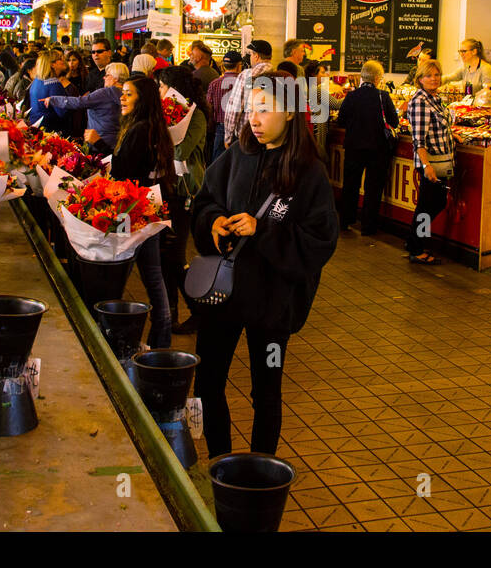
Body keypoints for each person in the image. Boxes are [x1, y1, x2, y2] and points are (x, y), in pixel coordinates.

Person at [191, 75, 338, 458]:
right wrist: (213, 222)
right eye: (251, 109)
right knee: (208, 381)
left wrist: (264, 230)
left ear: (289, 112)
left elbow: (320, 241)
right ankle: (218, 459)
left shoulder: (309, 172)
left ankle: (259, 469)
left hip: (272, 303)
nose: (254, 120)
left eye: (265, 109)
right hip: (223, 295)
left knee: (266, 389)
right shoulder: (238, 155)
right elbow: (205, 200)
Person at [111, 74, 177, 347]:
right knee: (153, 276)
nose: (122, 98)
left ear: (143, 98)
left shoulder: (139, 129)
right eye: (122, 92)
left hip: (131, 212)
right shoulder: (153, 127)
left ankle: (113, 331)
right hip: (148, 208)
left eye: (128, 93)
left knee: (118, 275)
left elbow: (124, 172)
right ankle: (161, 337)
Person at [156, 66, 210, 335]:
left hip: (184, 191)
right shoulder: (162, 115)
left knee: (174, 255)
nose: (160, 92)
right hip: (164, 188)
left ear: (175, 89)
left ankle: (200, 310)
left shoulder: (196, 116)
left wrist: (162, 133)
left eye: (163, 87)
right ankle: (171, 313)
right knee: (165, 256)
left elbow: (181, 150)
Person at [337, 60, 398, 237]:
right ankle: (368, 226)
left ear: (362, 76)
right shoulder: (383, 96)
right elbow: (393, 122)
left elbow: (341, 120)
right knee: (373, 188)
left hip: (354, 147)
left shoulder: (351, 96)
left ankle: (346, 220)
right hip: (378, 149)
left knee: (350, 184)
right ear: (378, 77)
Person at [406, 60, 455, 264]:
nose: (434, 79)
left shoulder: (435, 98)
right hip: (432, 162)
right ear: (420, 79)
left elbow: (440, 126)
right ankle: (417, 248)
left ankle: (416, 242)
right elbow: (419, 139)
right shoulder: (420, 102)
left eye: (436, 75)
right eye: (428, 76)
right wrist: (427, 166)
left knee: (433, 204)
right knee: (428, 206)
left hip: (442, 160)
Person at [46, 62, 128, 155]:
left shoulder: (106, 93)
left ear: (115, 78)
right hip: (117, 143)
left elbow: (80, 102)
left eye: (107, 75)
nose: (104, 77)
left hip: (98, 142)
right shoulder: (127, 95)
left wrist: (53, 99)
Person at [223, 39, 274, 147]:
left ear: (256, 56)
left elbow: (234, 107)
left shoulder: (247, 75)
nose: (250, 58)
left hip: (246, 134)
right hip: (268, 135)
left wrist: (228, 136)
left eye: (251, 54)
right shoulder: (277, 75)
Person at [207, 50, 242, 161]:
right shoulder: (244, 83)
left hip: (220, 128)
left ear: (223, 66)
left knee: (217, 163)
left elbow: (209, 108)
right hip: (240, 128)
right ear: (239, 66)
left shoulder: (214, 83)